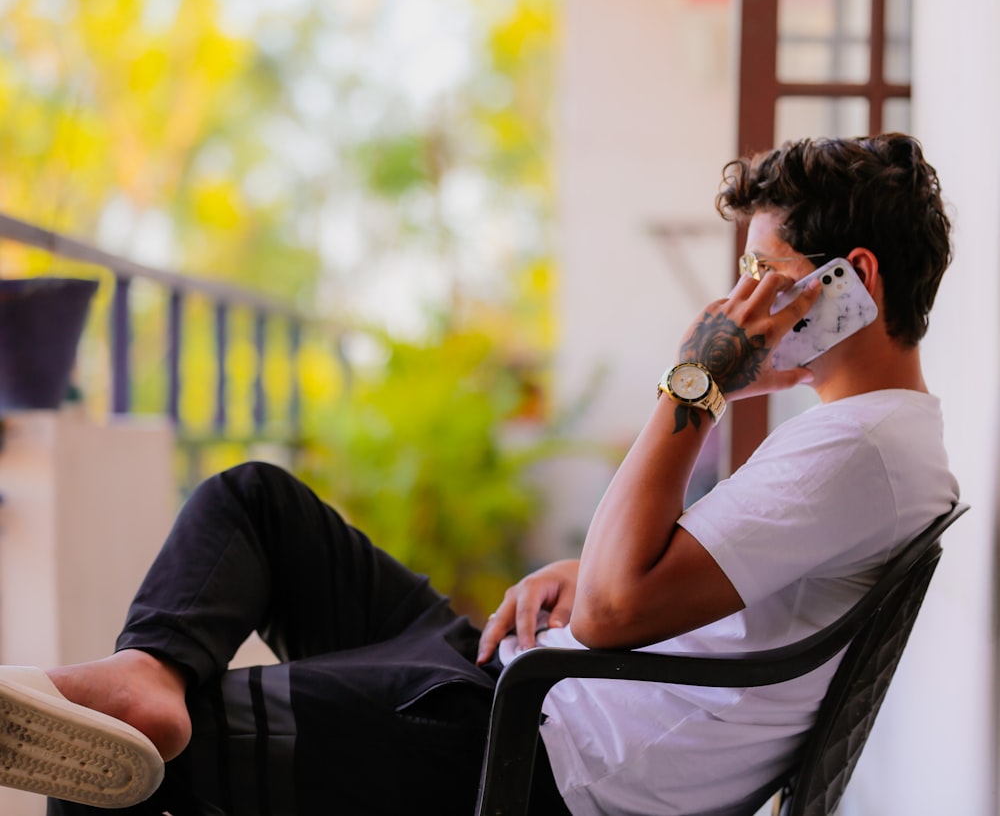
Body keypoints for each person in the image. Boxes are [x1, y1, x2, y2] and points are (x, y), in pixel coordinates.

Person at [0, 132, 958, 816]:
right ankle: (147, 669)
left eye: (762, 271)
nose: (736, 303)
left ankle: (154, 697)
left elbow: (622, 613)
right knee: (253, 503)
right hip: (528, 686)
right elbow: (644, 591)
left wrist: (698, 381)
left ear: (853, 283)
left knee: (117, 767)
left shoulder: (858, 449)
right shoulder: (871, 440)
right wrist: (593, 575)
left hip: (536, 748)